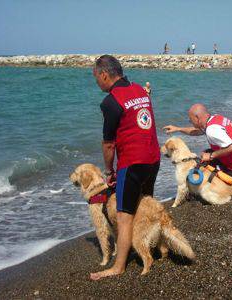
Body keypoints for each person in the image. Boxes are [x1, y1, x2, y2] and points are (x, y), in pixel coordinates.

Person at [91, 55, 160, 280]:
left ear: (104, 74)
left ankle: (118, 266)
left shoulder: (110, 102)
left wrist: (109, 171)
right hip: (153, 158)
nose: (97, 83)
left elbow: (109, 144)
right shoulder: (140, 89)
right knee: (145, 203)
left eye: (96, 78)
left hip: (133, 163)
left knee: (124, 215)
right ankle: (154, 244)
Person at [163, 104, 232, 189]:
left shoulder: (212, 130)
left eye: (191, 120)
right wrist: (178, 129)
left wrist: (211, 156)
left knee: (221, 187)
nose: (191, 122)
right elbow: (196, 131)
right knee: (206, 156)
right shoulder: (215, 119)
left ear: (197, 118)